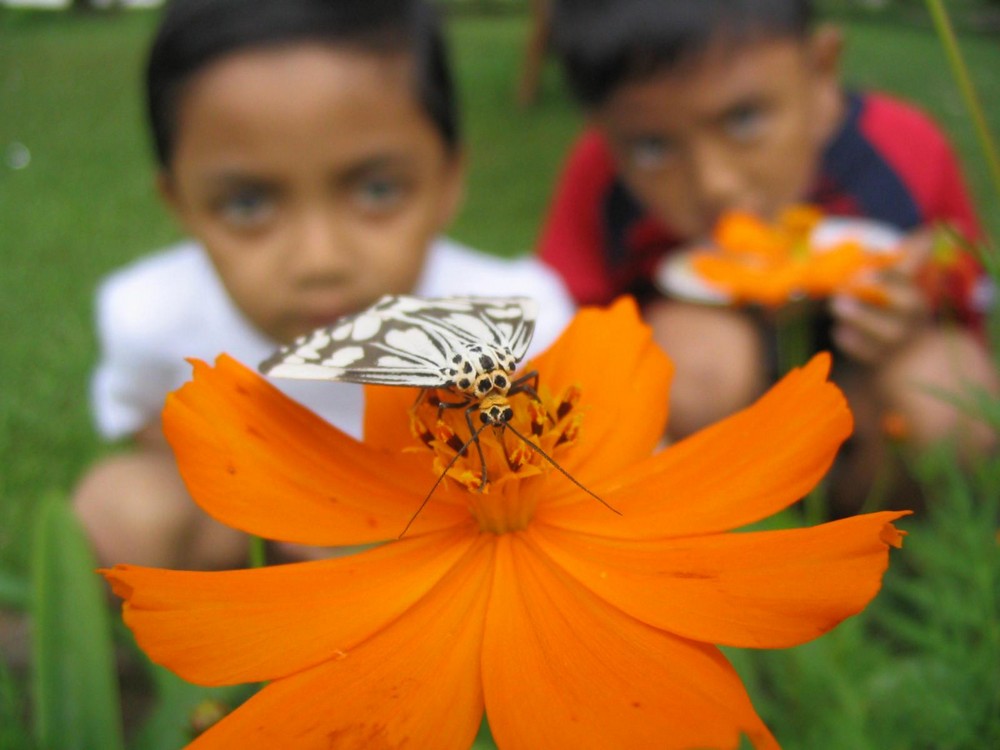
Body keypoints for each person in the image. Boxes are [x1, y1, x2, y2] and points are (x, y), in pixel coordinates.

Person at [73, 0, 574, 570]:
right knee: (116, 509)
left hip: (466, 531)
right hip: (255, 528)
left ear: (450, 178)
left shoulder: (510, 314)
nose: (320, 259)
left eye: (377, 192)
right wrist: (295, 515)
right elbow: (157, 431)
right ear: (179, 203)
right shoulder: (150, 318)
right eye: (247, 203)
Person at [538, 0, 998, 514]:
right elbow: (561, 320)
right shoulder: (598, 177)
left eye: (744, 118)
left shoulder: (902, 147)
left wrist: (920, 293)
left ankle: (880, 545)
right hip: (715, 402)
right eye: (651, 148)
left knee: (948, 396)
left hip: (869, 387)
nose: (716, 184)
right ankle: (731, 536)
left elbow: (972, 289)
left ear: (822, 70)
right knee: (688, 369)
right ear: (600, 127)